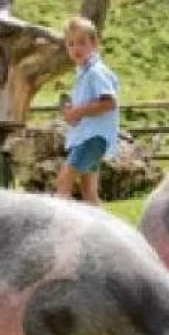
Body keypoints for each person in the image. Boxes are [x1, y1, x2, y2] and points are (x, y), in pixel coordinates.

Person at [56, 16, 119, 204]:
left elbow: (109, 102)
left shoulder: (95, 72)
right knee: (88, 192)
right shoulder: (84, 74)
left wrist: (79, 111)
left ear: (94, 44)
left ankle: (58, 227)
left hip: (92, 138)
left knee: (63, 182)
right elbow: (87, 110)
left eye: (82, 43)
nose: (76, 48)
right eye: (71, 44)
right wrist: (73, 114)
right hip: (88, 136)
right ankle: (106, 232)